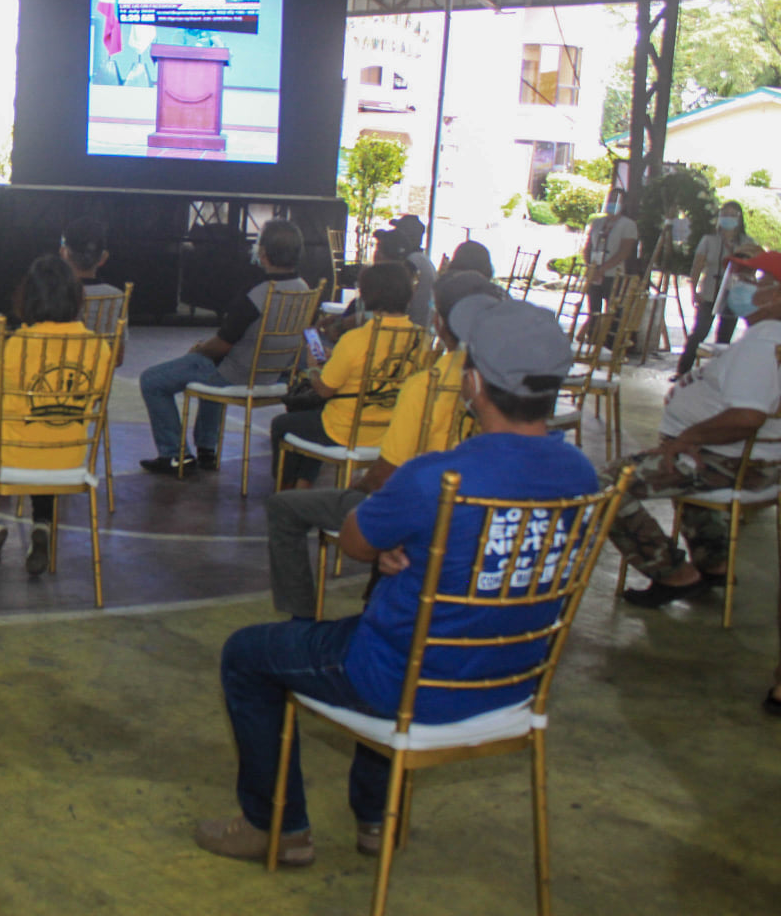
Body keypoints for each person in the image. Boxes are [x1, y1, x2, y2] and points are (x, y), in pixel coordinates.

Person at [194, 295, 596, 866]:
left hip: (405, 682)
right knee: (396, 626)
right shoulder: (580, 473)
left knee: (248, 654)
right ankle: (377, 821)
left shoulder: (437, 476)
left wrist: (394, 544)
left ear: (474, 384)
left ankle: (276, 826)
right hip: (510, 685)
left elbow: (356, 541)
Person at [264, 272, 503, 619]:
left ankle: (300, 620)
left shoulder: (427, 383)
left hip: (396, 480)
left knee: (285, 497)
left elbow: (385, 477)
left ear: (441, 321)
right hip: (469, 505)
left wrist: (355, 490)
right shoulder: (498, 381)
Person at [601, 251, 781, 607]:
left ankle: (673, 574)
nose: (743, 286)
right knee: (682, 471)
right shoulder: (767, 339)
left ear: (777, 296)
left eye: (757, 280)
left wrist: (688, 437)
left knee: (607, 485)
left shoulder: (764, 343)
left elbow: (748, 417)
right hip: (741, 461)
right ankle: (711, 565)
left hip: (729, 464)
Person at [0, 255, 115, 575]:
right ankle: (42, 526)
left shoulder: (15, 343)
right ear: (76, 298)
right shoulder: (98, 346)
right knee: (49, 433)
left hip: (11, 455)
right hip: (70, 456)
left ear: (28, 298)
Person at [139, 219, 310, 475]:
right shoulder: (305, 289)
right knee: (213, 368)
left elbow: (222, 345)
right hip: (273, 375)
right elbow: (310, 337)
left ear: (263, 253)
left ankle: (175, 454)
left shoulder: (258, 293)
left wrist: (198, 350)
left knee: (153, 380)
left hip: (237, 374)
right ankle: (207, 449)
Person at [268, 262, 418, 489]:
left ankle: (286, 493)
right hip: (391, 431)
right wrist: (335, 357)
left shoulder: (356, 339)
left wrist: (313, 368)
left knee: (283, 424)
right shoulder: (420, 339)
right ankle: (302, 484)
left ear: (368, 296)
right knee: (311, 419)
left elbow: (324, 389)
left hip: (345, 430)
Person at [676, 200, 758, 377]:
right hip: (710, 291)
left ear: (739, 218)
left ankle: (716, 375)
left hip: (733, 294)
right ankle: (683, 371)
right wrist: (694, 290)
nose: (728, 218)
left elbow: (752, 268)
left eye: (733, 214)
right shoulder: (709, 240)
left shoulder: (746, 242)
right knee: (700, 332)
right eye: (725, 214)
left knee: (724, 337)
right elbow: (697, 266)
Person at [62, 216, 126, 340]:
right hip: (103, 358)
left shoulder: (53, 293)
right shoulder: (117, 296)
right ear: (103, 258)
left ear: (64, 253)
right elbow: (119, 348)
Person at [583, 187, 639, 315]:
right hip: (594, 272)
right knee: (593, 311)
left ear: (623, 204)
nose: (612, 203)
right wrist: (591, 267)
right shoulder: (597, 222)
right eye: (610, 199)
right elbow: (588, 246)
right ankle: (592, 333)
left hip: (613, 274)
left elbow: (624, 252)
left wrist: (603, 269)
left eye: (617, 200)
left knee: (612, 313)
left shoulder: (628, 224)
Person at [382, 215, 436, 330]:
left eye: (398, 232)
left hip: (407, 331)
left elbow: (393, 305)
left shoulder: (411, 263)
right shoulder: (424, 260)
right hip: (418, 330)